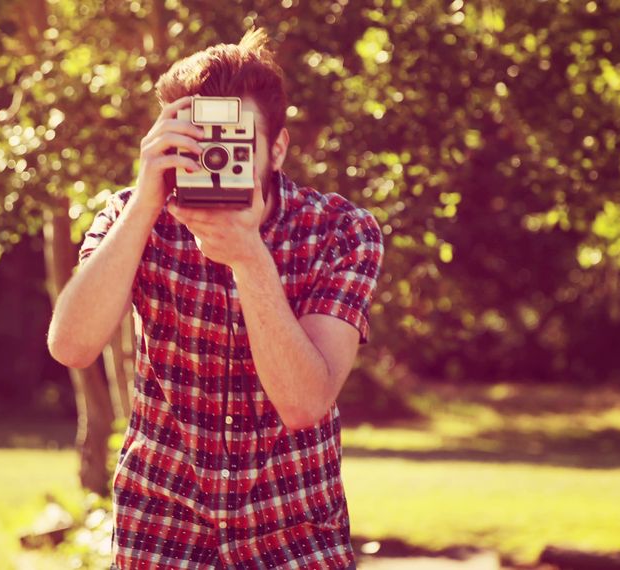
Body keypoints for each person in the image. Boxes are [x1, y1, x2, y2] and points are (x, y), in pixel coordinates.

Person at [47, 27, 383, 570]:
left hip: (292, 526)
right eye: (197, 141)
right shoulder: (131, 216)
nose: (214, 157)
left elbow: (304, 403)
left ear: (277, 149)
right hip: (162, 524)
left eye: (233, 142)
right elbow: (71, 345)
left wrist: (251, 259)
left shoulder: (340, 231)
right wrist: (144, 203)